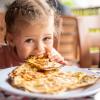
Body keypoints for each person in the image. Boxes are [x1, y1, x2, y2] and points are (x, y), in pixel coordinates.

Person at [0, 0, 70, 68]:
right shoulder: (2, 56)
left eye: (46, 38)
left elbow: (64, 74)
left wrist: (60, 66)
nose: (40, 48)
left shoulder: (53, 57)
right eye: (29, 40)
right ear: (11, 40)